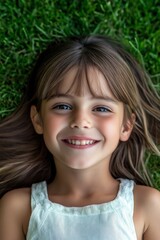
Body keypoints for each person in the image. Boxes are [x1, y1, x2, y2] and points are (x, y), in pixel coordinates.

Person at [0, 35, 160, 240]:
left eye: (101, 108)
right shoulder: (17, 207)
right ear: (38, 120)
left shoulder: (148, 205)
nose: (81, 121)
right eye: (62, 106)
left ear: (126, 125)